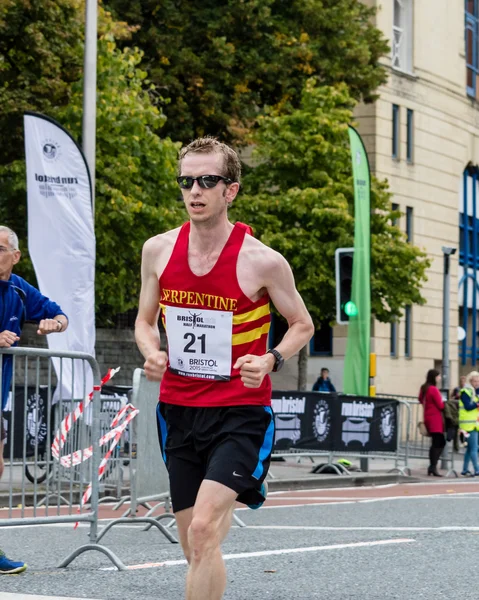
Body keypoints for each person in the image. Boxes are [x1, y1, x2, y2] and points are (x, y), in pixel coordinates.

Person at [135, 137, 314, 600]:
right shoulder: (157, 250)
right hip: (178, 409)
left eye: (207, 181)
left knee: (202, 531)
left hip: (239, 412)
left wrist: (270, 358)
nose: (195, 191)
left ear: (230, 190)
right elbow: (144, 320)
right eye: (186, 181)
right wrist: (151, 351)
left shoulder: (263, 261)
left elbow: (302, 324)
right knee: (194, 543)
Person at [0, 225, 68, 574]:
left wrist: (53, 325)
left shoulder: (19, 289)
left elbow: (59, 314)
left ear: (15, 256)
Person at [418, 369, 445, 477]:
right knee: (440, 442)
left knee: (435, 442)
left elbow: (420, 399)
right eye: (438, 376)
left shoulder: (424, 388)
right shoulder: (433, 389)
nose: (440, 378)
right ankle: (433, 466)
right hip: (435, 419)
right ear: (434, 377)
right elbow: (441, 405)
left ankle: (432, 466)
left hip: (427, 417)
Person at [458, 371, 479, 477]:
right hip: (467, 425)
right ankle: (477, 469)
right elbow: (467, 406)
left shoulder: (475, 392)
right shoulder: (466, 391)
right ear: (470, 381)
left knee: (470, 449)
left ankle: (465, 469)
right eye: (475, 381)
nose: (477, 383)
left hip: (474, 424)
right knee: (474, 448)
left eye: (478, 381)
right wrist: (477, 404)